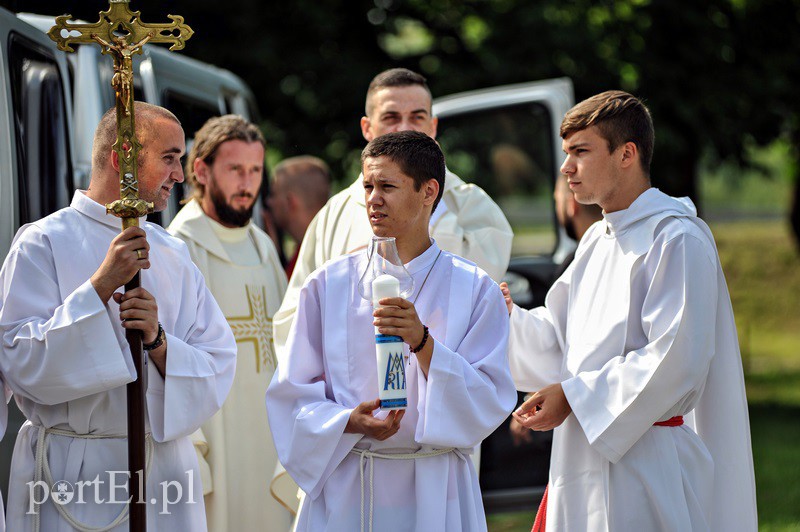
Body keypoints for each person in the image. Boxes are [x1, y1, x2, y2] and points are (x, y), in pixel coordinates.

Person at [504, 90, 757, 531]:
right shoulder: (595, 243)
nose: (567, 169)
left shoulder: (676, 239)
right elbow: (557, 343)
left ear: (627, 154)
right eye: (567, 154)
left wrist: (575, 397)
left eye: (581, 152)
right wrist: (502, 316)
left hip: (648, 465)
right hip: (581, 460)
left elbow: (675, 359)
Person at [0, 102, 236, 530]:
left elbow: (218, 362)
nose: (179, 176)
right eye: (169, 158)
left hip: (160, 472)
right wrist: (100, 287)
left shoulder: (173, 253)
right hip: (72, 473)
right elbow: (18, 363)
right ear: (121, 158)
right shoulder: (42, 243)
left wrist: (159, 341)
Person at [265, 130, 516, 531]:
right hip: (351, 483)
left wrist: (423, 341)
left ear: (428, 191)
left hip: (436, 487)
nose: (372, 199)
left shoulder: (474, 288)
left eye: (387, 186)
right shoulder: (327, 285)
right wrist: (347, 421)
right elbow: (292, 394)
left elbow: (490, 398)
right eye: (367, 186)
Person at [274, 67, 513, 353]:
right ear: (367, 128)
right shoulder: (334, 215)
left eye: (417, 117)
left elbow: (483, 302)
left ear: (433, 126)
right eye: (391, 117)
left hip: (441, 376)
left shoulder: (471, 205)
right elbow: (295, 316)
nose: (405, 128)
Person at [166, 115, 291, 530]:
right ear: (201, 170)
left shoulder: (262, 245)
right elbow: (169, 357)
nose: (248, 183)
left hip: (269, 431)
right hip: (217, 434)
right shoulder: (180, 247)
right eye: (235, 169)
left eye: (255, 170)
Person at [506, 176, 602, 446]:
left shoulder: (673, 239)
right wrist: (510, 316)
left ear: (571, 205)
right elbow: (561, 336)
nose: (565, 165)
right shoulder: (590, 252)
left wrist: (569, 396)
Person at [265, 155, 331, 277]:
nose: (269, 202)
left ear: (290, 202)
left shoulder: (308, 262)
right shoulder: (331, 247)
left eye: (273, 194)